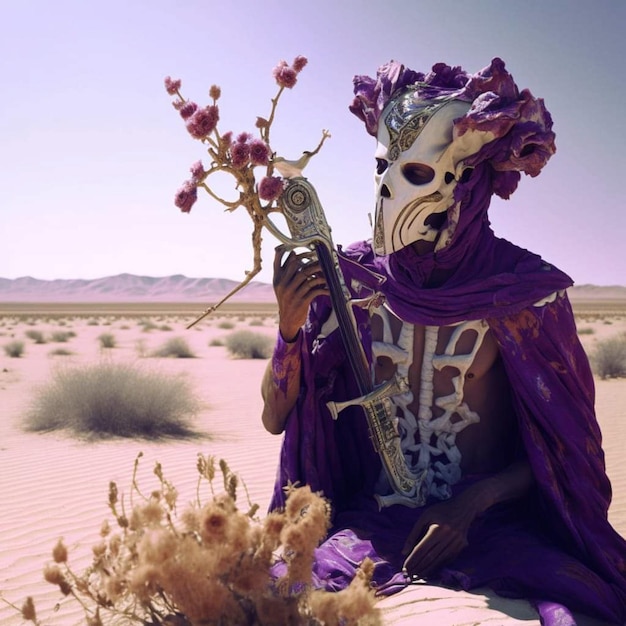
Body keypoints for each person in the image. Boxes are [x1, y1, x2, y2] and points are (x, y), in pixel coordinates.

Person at [260, 58, 626, 625]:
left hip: (490, 526)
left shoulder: (523, 295)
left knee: (575, 610)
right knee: (271, 595)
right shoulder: (351, 278)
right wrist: (288, 329)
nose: (386, 189)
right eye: (383, 166)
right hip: (373, 523)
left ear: (467, 181)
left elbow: (563, 452)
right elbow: (276, 418)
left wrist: (471, 504)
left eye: (414, 173)